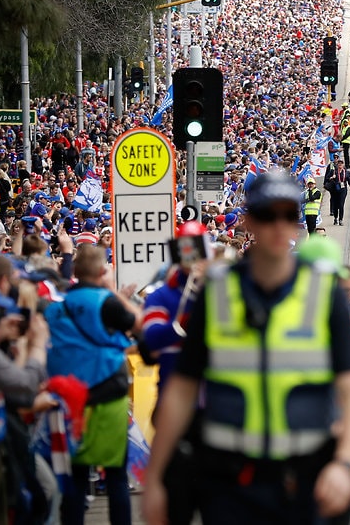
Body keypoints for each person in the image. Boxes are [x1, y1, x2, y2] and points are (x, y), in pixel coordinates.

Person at [142, 172, 350, 525]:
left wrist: (344, 463)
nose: (278, 226)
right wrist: (155, 478)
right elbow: (182, 390)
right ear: (249, 221)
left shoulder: (324, 292)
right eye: (267, 215)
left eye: (287, 215)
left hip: (306, 479)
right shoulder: (216, 294)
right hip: (230, 483)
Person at [45, 244, 144, 525]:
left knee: (75, 478)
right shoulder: (106, 302)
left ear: (75, 271)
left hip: (70, 400)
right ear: (102, 272)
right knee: (115, 476)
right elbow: (139, 324)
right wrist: (114, 292)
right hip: (107, 395)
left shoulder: (56, 309)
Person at [141, 220, 210, 525]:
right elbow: (151, 340)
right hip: (175, 416)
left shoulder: (228, 293)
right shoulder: (160, 296)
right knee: (176, 507)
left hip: (220, 413)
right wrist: (184, 317)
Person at [326, 158, 350, 226]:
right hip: (335, 189)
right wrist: (331, 178)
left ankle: (340, 219)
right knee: (335, 205)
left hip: (343, 190)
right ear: (337, 165)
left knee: (341, 205)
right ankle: (335, 218)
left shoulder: (346, 172)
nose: (340, 165)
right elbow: (327, 178)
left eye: (341, 163)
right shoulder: (333, 171)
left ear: (343, 165)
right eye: (339, 163)